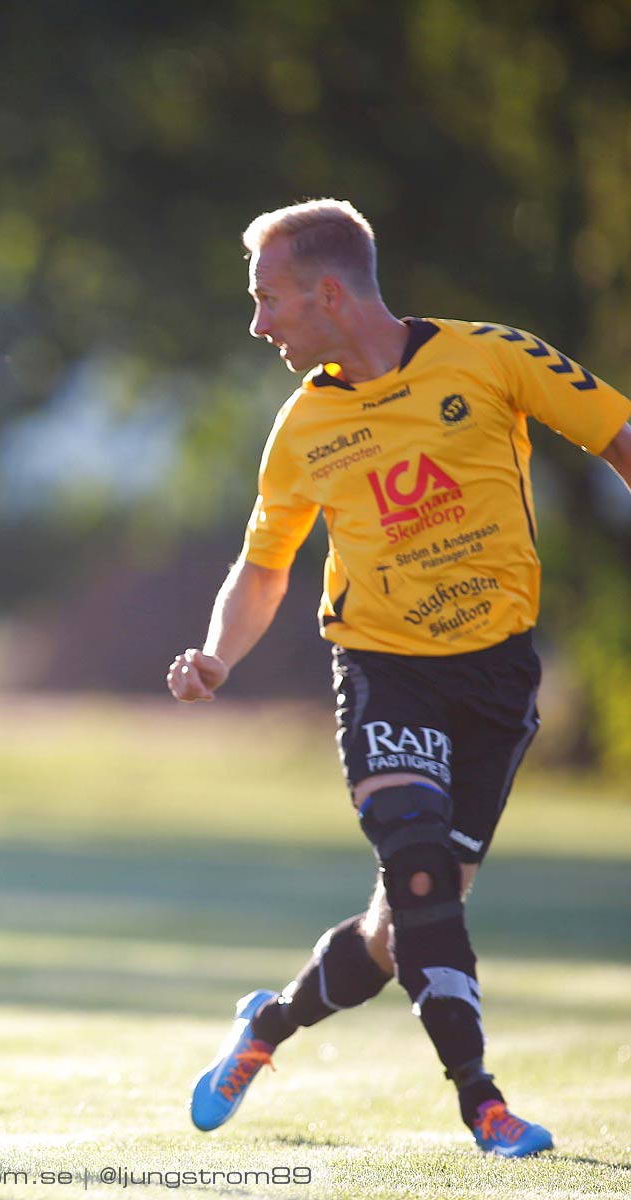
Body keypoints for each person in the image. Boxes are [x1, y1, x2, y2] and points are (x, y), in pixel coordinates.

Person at [169, 199, 631, 1157]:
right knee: (421, 873)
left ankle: (267, 1027)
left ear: (328, 294)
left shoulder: (493, 357)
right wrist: (218, 653)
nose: (259, 324)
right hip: (383, 673)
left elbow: (617, 435)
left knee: (399, 928)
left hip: (496, 683)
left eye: (269, 300)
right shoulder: (302, 425)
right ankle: (484, 1104)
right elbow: (265, 567)